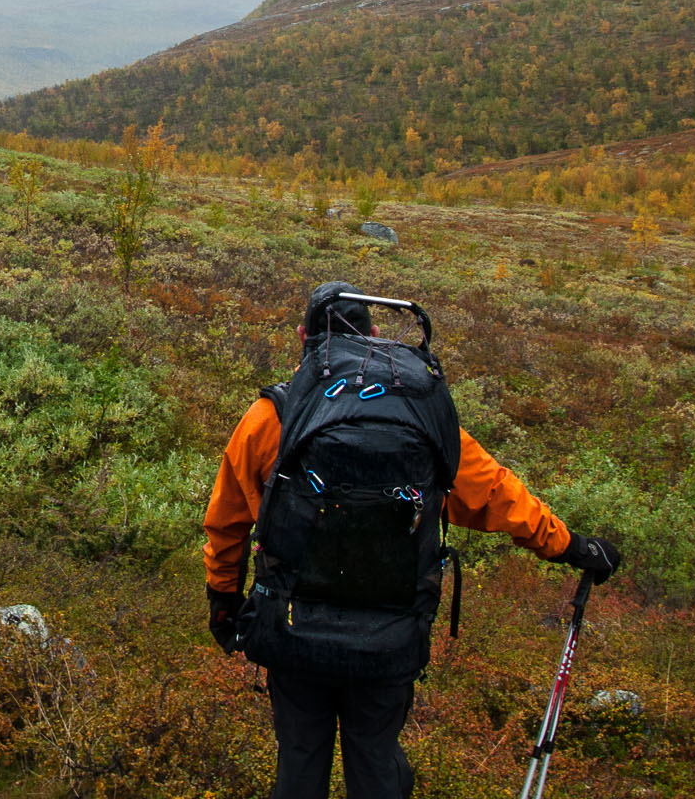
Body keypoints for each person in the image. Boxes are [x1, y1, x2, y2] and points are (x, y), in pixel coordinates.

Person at [202, 282, 621, 799]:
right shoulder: (420, 414)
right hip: (392, 634)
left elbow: (226, 524)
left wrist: (223, 601)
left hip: (292, 631)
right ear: (377, 336)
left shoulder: (272, 418)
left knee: (300, 758)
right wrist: (571, 545)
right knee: (376, 759)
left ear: (302, 337)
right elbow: (495, 493)